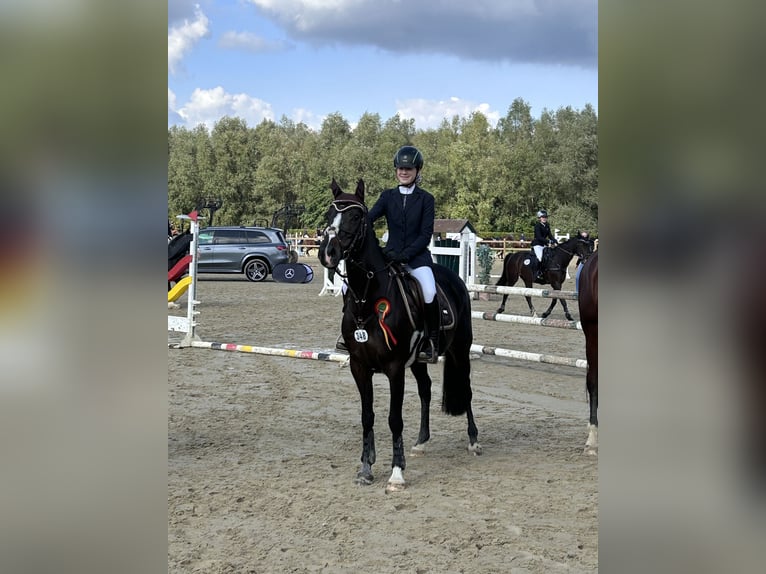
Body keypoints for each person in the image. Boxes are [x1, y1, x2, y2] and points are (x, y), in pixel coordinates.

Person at [336, 145, 439, 363]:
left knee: (429, 290)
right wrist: (353, 214)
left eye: (408, 169)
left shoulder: (426, 199)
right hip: (388, 256)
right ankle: (349, 333)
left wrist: (406, 255)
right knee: (347, 285)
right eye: (400, 168)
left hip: (417, 258)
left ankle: (431, 339)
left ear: (417, 170)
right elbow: (367, 220)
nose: (404, 172)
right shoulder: (387, 196)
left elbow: (425, 234)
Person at [531, 209, 557, 281]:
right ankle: (537, 273)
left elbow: (550, 235)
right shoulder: (537, 226)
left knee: (549, 257)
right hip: (537, 245)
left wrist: (555, 241)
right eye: (543, 217)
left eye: (545, 217)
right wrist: (548, 241)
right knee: (540, 258)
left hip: (544, 245)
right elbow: (539, 237)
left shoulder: (547, 225)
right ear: (539, 218)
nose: (544, 218)